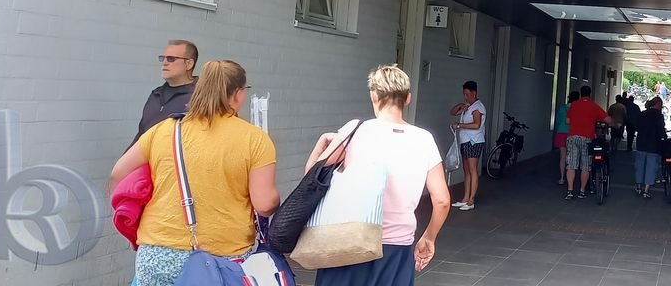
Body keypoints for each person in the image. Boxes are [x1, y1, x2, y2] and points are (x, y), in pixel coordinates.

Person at [109, 60, 279, 286]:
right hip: (219, 259)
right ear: (237, 94)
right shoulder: (254, 139)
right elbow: (264, 204)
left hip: (156, 253)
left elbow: (119, 173)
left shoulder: (165, 129)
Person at [307, 64, 450, 285]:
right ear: (408, 98)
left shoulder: (355, 131)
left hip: (350, 240)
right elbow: (442, 201)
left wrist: (321, 143)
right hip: (398, 247)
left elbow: (311, 180)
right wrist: (428, 237)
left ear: (374, 95)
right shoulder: (424, 139)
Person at [133, 39, 199, 145]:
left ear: (189, 64)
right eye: (163, 58)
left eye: (171, 59)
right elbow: (141, 135)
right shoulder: (156, 95)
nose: (164, 63)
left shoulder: (200, 97)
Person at [563, 86, 608, 200]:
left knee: (571, 165)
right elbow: (606, 119)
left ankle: (570, 191)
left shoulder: (573, 105)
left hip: (573, 137)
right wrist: (615, 123)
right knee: (585, 166)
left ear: (581, 93)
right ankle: (582, 191)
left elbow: (567, 121)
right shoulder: (594, 106)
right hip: (587, 138)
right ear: (590, 94)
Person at [449, 80, 485, 211]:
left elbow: (477, 125)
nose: (465, 97)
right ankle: (465, 198)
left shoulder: (478, 107)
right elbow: (453, 112)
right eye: (464, 94)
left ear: (474, 93)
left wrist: (459, 125)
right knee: (466, 170)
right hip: (465, 141)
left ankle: (471, 200)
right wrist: (460, 106)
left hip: (474, 141)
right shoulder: (468, 106)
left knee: (472, 170)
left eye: (467, 94)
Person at [633, 97, 666, 199]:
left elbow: (636, 127)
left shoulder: (642, 114)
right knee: (651, 167)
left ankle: (638, 186)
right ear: (657, 104)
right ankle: (646, 190)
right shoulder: (659, 116)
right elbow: (661, 130)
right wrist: (664, 137)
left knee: (640, 165)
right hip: (654, 145)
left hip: (641, 143)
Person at [554, 91, 578, 185]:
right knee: (572, 156)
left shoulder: (562, 108)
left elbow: (558, 121)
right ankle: (571, 178)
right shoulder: (577, 109)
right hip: (572, 133)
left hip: (561, 132)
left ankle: (562, 177)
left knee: (562, 156)